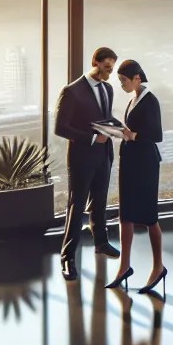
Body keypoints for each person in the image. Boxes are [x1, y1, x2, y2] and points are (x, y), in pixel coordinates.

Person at [55, 46, 121, 281]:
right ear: (96, 62)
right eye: (107, 67)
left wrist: (121, 129)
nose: (110, 72)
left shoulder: (108, 89)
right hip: (81, 158)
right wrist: (93, 138)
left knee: (100, 202)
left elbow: (105, 117)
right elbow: (60, 128)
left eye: (112, 68)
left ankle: (101, 243)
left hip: (104, 155)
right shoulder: (72, 91)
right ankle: (67, 258)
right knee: (77, 206)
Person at [110, 59, 167, 293]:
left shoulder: (150, 101)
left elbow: (157, 134)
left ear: (136, 78)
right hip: (131, 162)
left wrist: (133, 135)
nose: (121, 84)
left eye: (124, 80)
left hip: (145, 164)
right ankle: (124, 266)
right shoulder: (133, 99)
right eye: (120, 80)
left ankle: (158, 266)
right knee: (125, 215)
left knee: (149, 216)